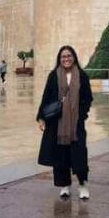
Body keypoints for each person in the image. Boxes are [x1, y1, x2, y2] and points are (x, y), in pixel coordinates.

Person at [36, 45, 93, 200]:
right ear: (59, 59)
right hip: (57, 123)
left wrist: (82, 114)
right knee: (60, 156)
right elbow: (46, 97)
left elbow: (88, 98)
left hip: (76, 124)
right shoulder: (54, 76)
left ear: (73, 57)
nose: (66, 59)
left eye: (69, 56)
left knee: (79, 154)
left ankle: (82, 185)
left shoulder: (82, 76)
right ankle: (64, 185)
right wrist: (41, 117)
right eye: (63, 57)